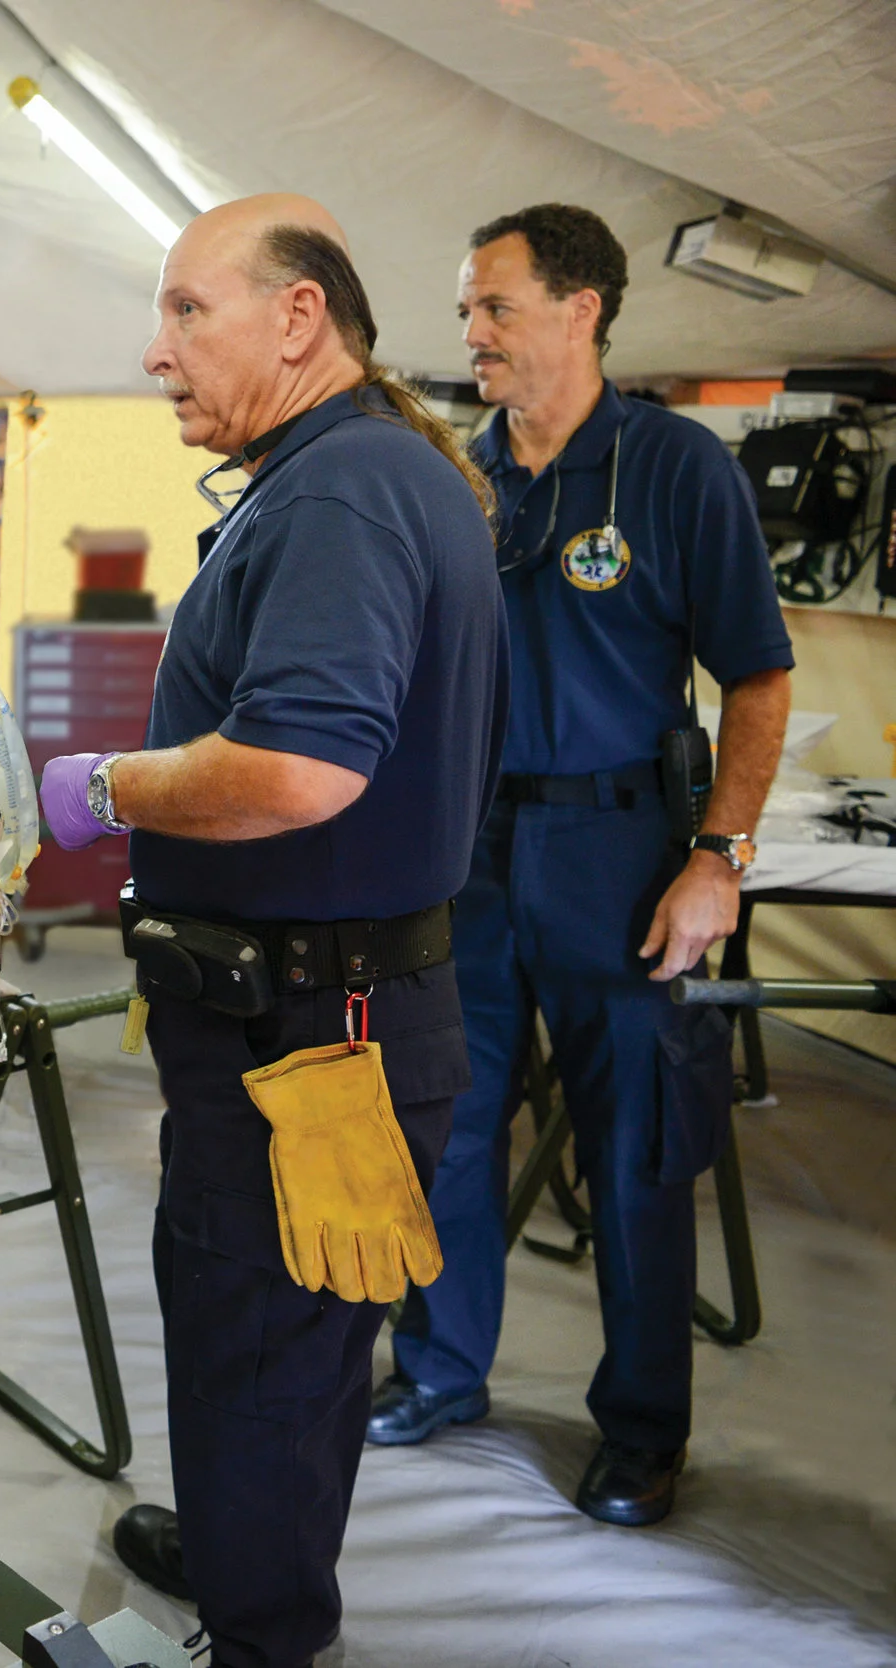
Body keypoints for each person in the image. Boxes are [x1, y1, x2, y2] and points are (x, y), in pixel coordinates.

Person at [40, 195, 502, 1668]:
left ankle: (264, 1634)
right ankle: (247, 1548)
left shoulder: (340, 492)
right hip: (305, 1009)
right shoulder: (353, 472)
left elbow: (301, 768)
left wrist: (102, 788)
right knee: (265, 1341)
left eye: (189, 310)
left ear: (299, 317)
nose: (158, 349)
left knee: (267, 1346)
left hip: (312, 1028)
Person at [371, 205, 792, 1526]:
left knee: (634, 1150)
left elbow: (759, 677)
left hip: (621, 856)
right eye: (465, 310)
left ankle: (644, 1430)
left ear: (581, 309)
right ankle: (438, 1371)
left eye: (493, 306)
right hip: (470, 856)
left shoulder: (673, 468)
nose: (472, 332)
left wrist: (718, 857)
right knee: (445, 1123)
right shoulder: (458, 475)